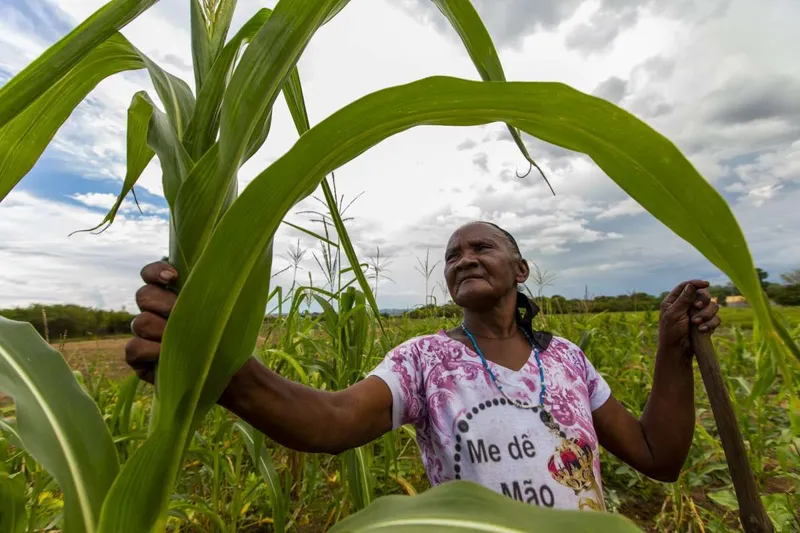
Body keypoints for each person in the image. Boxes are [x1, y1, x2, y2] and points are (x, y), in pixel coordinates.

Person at [126, 221, 720, 511]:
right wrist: (220, 364)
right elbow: (330, 422)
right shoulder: (426, 361)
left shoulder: (565, 359)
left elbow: (656, 456)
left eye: (481, 247)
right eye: (452, 256)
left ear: (520, 269)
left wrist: (674, 350)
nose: (464, 258)